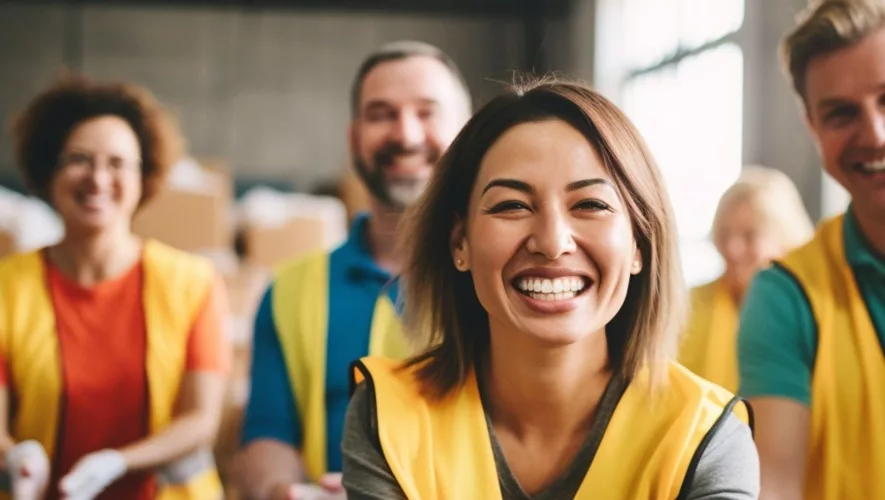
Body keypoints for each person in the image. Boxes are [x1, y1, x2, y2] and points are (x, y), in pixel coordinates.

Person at [342, 79, 759, 499]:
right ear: (459, 242)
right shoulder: (388, 416)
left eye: (590, 205)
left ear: (639, 244)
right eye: (512, 206)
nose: (553, 241)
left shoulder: (705, 437)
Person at [236, 40, 472, 499]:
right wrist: (281, 490)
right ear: (353, 138)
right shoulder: (289, 290)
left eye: (427, 112)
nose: (405, 134)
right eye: (381, 113)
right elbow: (267, 433)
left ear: (466, 131)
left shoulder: (501, 284)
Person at [0, 76, 230, 499]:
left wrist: (119, 462)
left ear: (145, 176)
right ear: (49, 169)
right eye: (79, 159)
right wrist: (17, 458)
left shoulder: (193, 282)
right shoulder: (6, 289)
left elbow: (200, 419)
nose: (98, 178)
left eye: (118, 163)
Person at [737, 1, 885, 498]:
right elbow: (776, 483)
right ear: (813, 127)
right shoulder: (785, 296)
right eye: (842, 114)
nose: (875, 134)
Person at [680, 166, 813, 392]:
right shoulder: (688, 305)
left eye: (749, 235)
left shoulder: (808, 311)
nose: (732, 248)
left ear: (785, 240)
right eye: (724, 233)